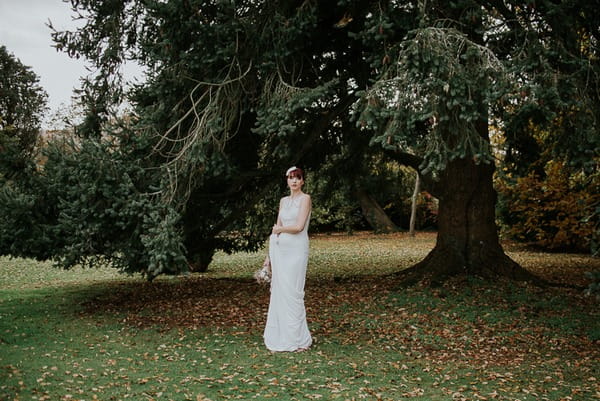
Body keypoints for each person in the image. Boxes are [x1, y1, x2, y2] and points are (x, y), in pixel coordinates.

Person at [263, 166, 312, 352]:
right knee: (280, 292)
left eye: (298, 178)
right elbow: (278, 226)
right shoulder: (283, 201)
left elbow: (299, 226)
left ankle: (298, 339)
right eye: (291, 178)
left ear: (302, 181)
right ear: (287, 181)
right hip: (280, 250)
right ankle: (281, 336)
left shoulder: (305, 199)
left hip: (297, 250)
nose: (294, 181)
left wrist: (280, 230)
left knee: (294, 292)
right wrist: (268, 258)